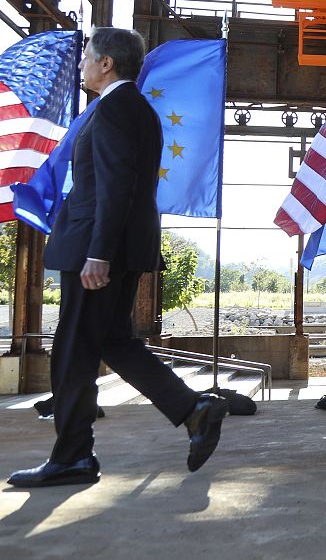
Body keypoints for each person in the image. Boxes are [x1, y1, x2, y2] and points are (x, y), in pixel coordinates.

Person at [7, 28, 228, 488]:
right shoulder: (125, 108)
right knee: (112, 341)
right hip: (109, 244)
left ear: (107, 63)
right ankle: (193, 409)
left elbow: (115, 186)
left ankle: (72, 457)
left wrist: (98, 254)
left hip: (98, 247)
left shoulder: (117, 109)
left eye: (88, 57)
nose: (83, 64)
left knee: (73, 352)